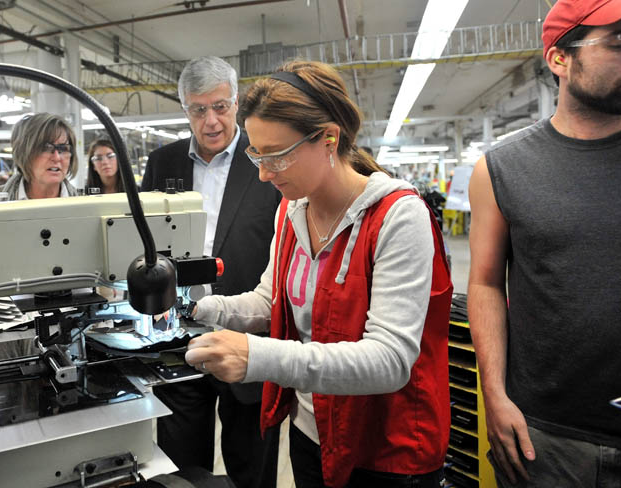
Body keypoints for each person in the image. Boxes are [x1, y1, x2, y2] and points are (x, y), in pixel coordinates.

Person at [183, 60, 452, 488]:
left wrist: (258, 357)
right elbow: (270, 301)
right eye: (257, 153)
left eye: (277, 156)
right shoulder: (292, 211)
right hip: (313, 432)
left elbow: (391, 360)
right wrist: (196, 308)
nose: (263, 173)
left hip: (386, 453)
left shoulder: (398, 217)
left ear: (329, 138)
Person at [467, 0, 621, 486]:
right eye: (618, 43)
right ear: (560, 59)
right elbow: (486, 283)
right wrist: (495, 395)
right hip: (547, 438)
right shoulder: (502, 169)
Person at [140, 56, 281, 488]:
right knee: (181, 468)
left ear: (236, 103)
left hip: (250, 336)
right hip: (176, 334)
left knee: (252, 468)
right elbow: (144, 242)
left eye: (220, 106)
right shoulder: (162, 163)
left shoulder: (266, 160)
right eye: (199, 109)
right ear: (185, 109)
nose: (212, 120)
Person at [0, 113, 79, 200]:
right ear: (23, 153)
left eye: (63, 148)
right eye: (46, 148)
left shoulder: (86, 204)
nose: (57, 157)